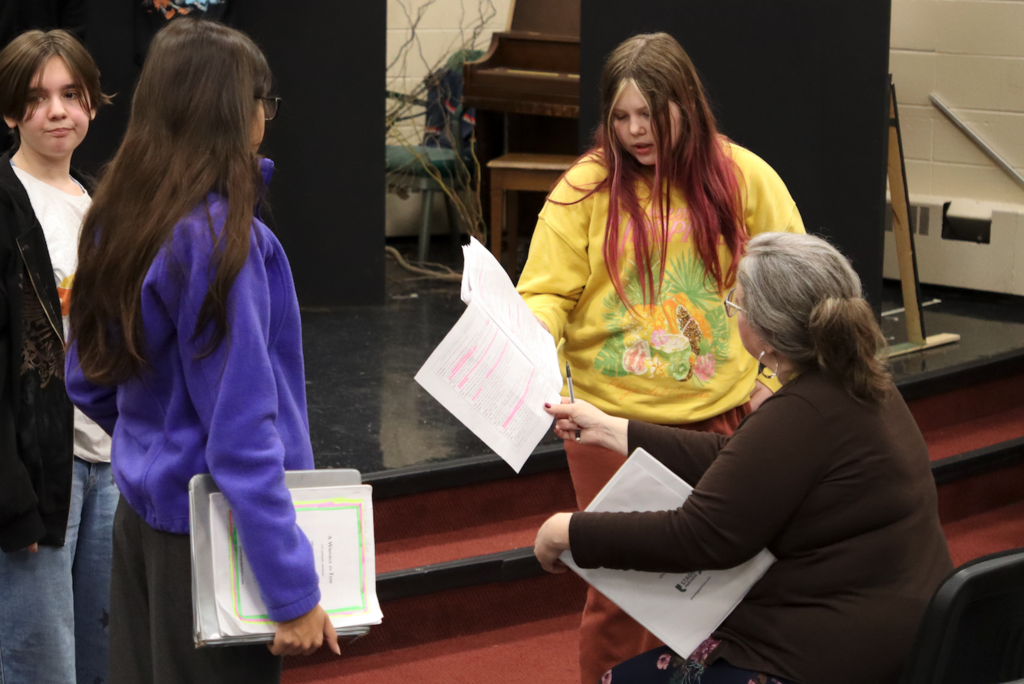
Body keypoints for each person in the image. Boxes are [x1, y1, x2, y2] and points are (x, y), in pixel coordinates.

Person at [534, 232, 953, 684]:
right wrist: (612, 429)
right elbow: (742, 461)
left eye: (736, 306)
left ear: (767, 334)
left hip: (827, 655)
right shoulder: (857, 382)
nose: (733, 315)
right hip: (909, 631)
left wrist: (567, 531)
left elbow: (698, 535)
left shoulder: (801, 412)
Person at [516, 32, 805, 683]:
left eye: (649, 114)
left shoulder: (744, 177)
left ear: (687, 104)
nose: (635, 131)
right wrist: (530, 344)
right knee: (622, 592)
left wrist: (772, 376)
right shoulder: (585, 188)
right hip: (607, 425)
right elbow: (545, 294)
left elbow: (794, 279)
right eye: (621, 117)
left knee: (725, 585)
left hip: (720, 419)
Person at [64, 19, 338, 684]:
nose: (265, 118)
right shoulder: (222, 240)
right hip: (213, 539)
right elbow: (242, 437)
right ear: (237, 114)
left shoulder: (117, 218)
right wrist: (292, 590)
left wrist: (160, 442)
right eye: (262, 102)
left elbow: (86, 377)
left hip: (141, 523)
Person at [0, 28, 116, 684]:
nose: (56, 111)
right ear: (9, 111)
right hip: (39, 472)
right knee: (41, 669)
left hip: (113, 467)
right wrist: (10, 495)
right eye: (36, 96)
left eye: (71, 94)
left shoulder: (102, 203)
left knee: (109, 664)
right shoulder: (5, 203)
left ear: (92, 103)